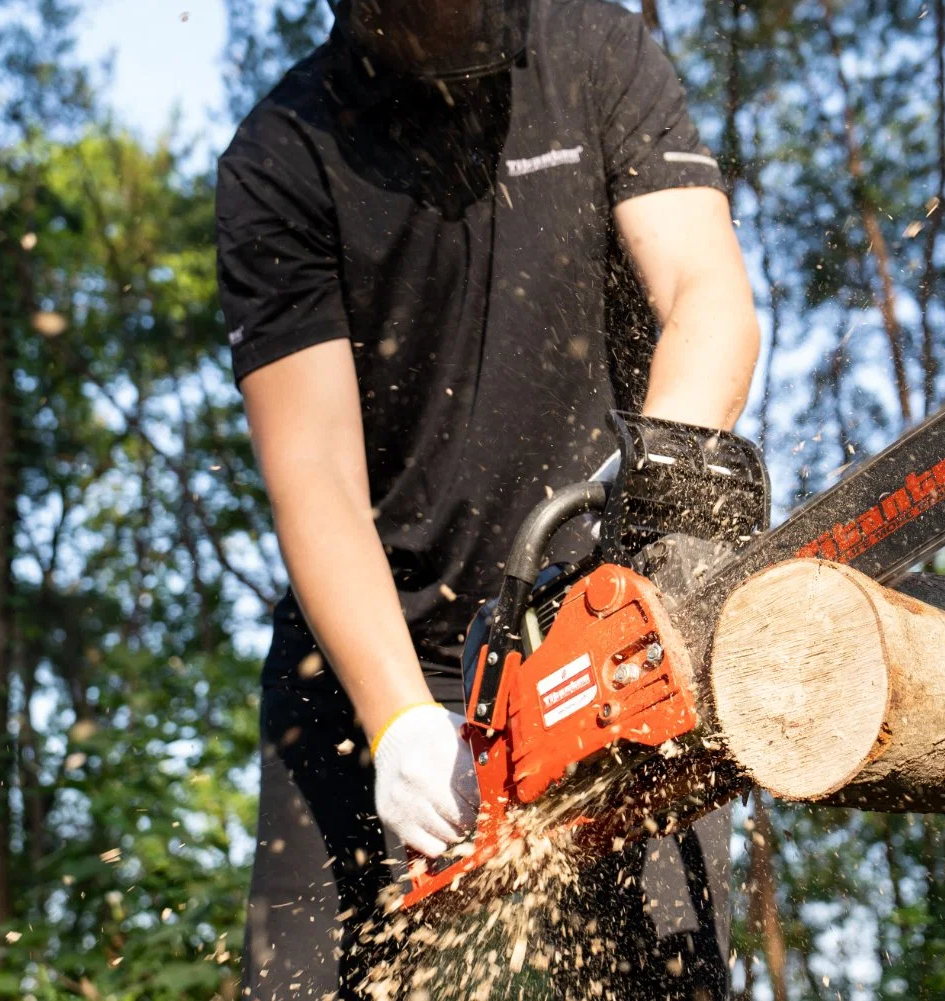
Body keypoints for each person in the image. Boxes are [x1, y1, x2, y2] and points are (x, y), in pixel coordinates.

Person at [215, 0, 760, 996]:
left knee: (661, 975)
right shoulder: (281, 157)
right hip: (374, 641)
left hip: (590, 617)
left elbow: (705, 292)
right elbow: (315, 474)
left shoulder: (593, 50)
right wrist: (397, 719)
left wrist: (656, 495)